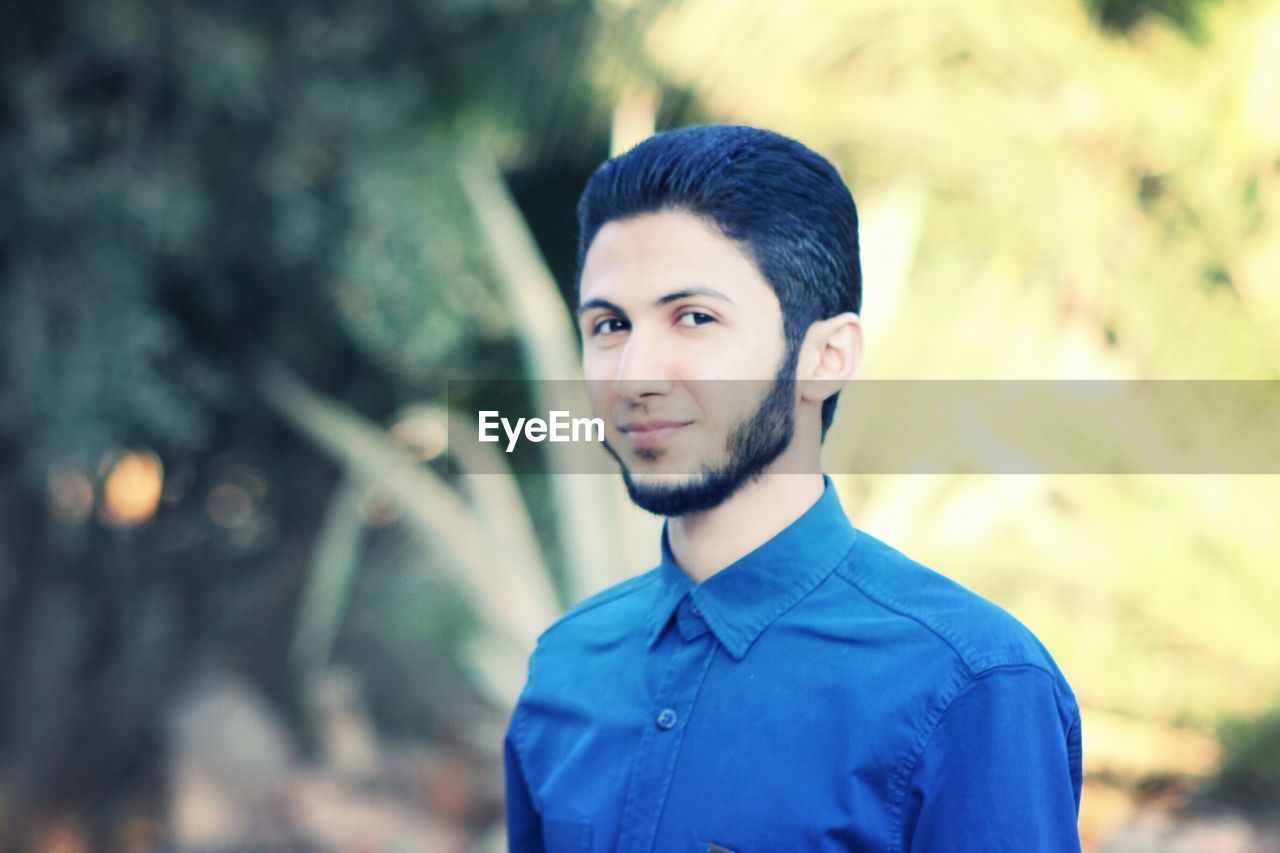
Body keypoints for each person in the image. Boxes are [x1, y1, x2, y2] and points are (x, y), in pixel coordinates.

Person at [503, 124, 1082, 852]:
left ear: (826, 356)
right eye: (610, 324)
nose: (634, 374)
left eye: (694, 317)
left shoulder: (971, 684)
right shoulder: (566, 668)